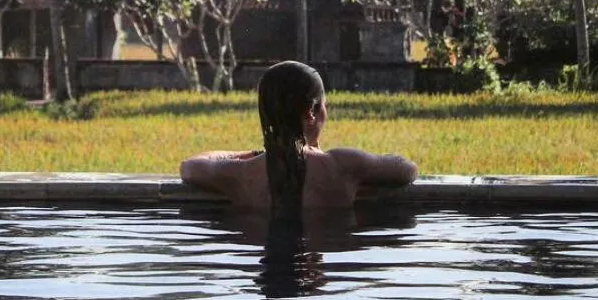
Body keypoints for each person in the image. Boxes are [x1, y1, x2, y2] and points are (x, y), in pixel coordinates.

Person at [179, 60, 418, 213]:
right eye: (324, 105)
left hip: (267, 276)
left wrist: (257, 154)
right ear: (311, 113)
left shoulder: (241, 174)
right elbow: (407, 169)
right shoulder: (342, 165)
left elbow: (190, 167)